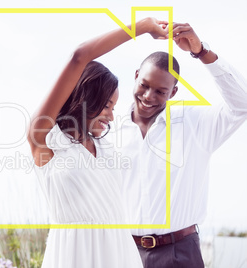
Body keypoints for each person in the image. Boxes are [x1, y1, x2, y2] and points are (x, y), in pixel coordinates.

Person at [27, 17, 168, 268]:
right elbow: (80, 56)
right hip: (72, 256)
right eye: (105, 106)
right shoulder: (46, 140)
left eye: (113, 107)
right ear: (84, 98)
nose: (111, 115)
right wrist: (143, 26)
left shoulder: (105, 147)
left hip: (119, 253)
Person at [111, 22, 247, 267]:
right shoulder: (109, 131)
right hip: (123, 253)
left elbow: (242, 104)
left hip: (179, 254)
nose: (148, 96)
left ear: (173, 92)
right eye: (144, 85)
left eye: (161, 91)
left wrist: (201, 52)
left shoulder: (195, 124)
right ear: (135, 77)